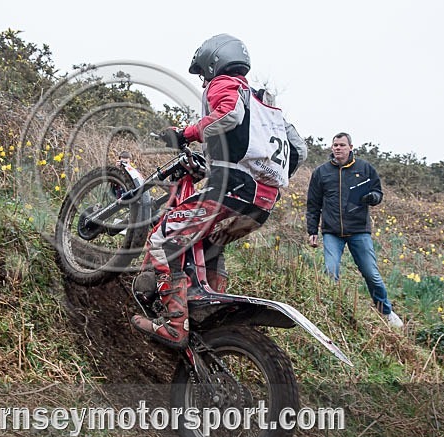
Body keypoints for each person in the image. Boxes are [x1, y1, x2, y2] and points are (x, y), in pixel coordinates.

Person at [131, 33, 301, 349]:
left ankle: (174, 323)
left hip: (230, 192)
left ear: (215, 61)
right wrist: (263, 177)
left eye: (204, 73)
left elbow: (229, 114)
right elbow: (299, 150)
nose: (205, 80)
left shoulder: (226, 83)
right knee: (210, 245)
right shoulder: (268, 108)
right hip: (261, 204)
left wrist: (186, 133)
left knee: (161, 239)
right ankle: (204, 316)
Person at [305, 132, 403, 328]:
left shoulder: (365, 168)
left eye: (342, 145)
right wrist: (312, 230)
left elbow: (378, 192)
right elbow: (313, 203)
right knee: (330, 273)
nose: (338, 148)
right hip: (332, 231)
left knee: (371, 274)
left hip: (359, 230)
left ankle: (386, 312)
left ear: (351, 147)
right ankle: (331, 312)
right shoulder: (321, 172)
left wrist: (372, 198)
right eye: (335, 145)